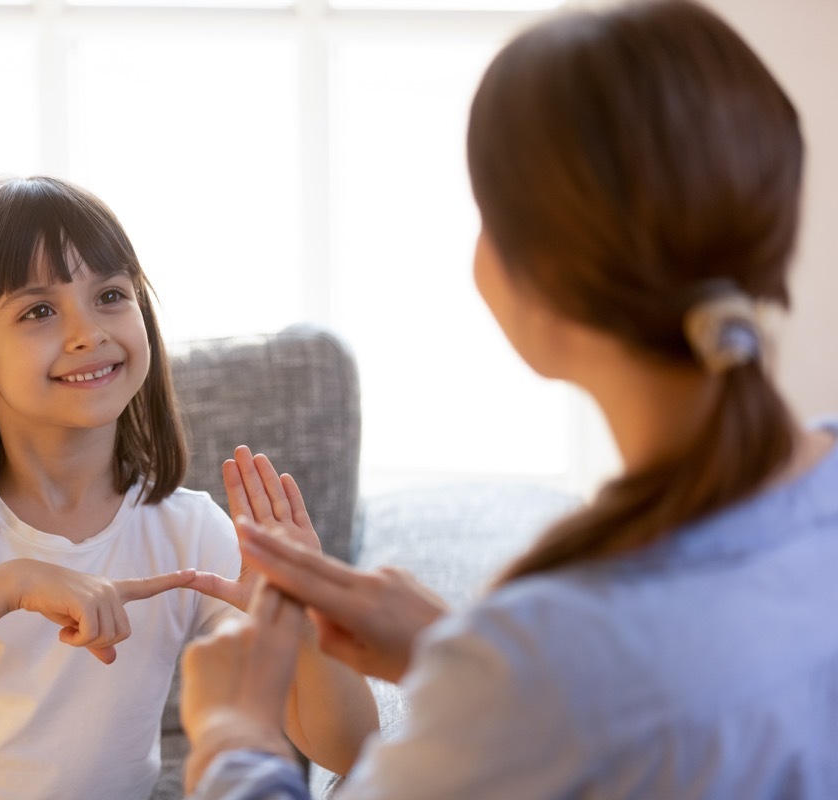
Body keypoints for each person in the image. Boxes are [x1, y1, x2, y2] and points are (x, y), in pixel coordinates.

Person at [178, 0, 838, 797]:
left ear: (537, 286)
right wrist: (452, 654)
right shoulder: (540, 669)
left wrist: (231, 737)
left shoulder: (545, 662)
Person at [0, 175, 377, 799]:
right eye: (39, 310)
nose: (88, 332)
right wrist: (13, 583)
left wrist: (305, 615)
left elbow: (351, 750)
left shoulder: (189, 531)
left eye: (110, 295)